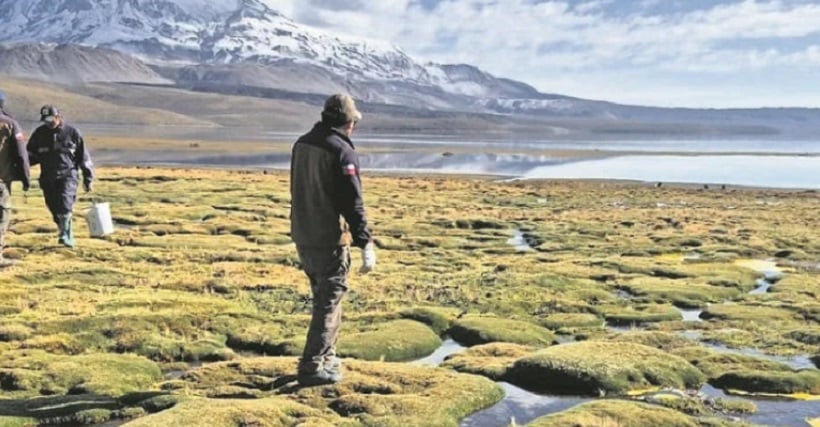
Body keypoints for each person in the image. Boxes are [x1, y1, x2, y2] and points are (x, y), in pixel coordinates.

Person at [289, 94, 376, 386]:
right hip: (329, 237)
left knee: (325, 296)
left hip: (303, 233)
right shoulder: (341, 151)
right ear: (348, 122)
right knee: (329, 300)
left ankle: (327, 357)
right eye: (353, 122)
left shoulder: (302, 143)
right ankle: (312, 366)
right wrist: (365, 242)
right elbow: (352, 202)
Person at [27, 105, 94, 248]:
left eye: (51, 118)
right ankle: (62, 228)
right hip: (47, 177)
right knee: (53, 207)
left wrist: (88, 178)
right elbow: (29, 156)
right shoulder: (39, 134)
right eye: (45, 120)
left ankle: (67, 236)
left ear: (58, 117)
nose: (48, 122)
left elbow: (83, 157)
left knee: (65, 204)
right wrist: (19, 169)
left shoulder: (72, 133)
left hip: (67, 175)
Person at [0, 91, 31, 266]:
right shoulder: (10, 124)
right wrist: (25, 178)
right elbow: (21, 154)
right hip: (1, 180)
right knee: (1, 217)